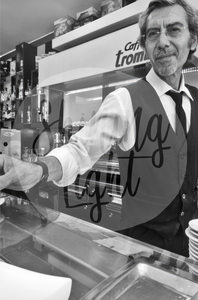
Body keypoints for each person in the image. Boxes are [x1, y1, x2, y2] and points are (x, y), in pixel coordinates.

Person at [1, 0, 198, 257]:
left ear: (192, 40)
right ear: (144, 46)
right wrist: (38, 170)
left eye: (174, 30)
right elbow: (80, 150)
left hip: (190, 246)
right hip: (142, 249)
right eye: (152, 34)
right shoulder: (126, 99)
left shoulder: (195, 98)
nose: (162, 42)